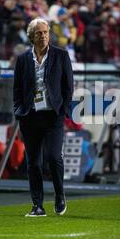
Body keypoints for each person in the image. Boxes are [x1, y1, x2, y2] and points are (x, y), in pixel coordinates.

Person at [13, 17, 74, 217]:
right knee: (33, 163)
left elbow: (68, 86)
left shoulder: (61, 55)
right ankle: (37, 205)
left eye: (46, 31)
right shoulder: (22, 59)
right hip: (30, 116)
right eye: (39, 32)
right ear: (32, 36)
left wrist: (63, 109)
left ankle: (59, 195)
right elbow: (17, 88)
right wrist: (19, 110)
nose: (44, 35)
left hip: (53, 116)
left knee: (54, 157)